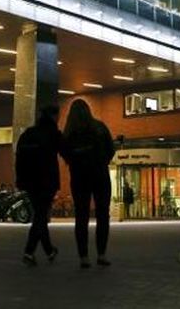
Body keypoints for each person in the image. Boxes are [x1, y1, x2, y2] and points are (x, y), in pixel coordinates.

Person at [60, 99, 116, 268]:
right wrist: (101, 162)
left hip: (79, 177)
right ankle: (102, 254)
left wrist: (76, 162)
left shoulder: (69, 132)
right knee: (102, 215)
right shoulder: (99, 127)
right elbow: (111, 149)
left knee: (81, 216)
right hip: (100, 175)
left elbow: (65, 153)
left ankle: (83, 256)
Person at [15, 104, 62, 266]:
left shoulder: (28, 134)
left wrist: (20, 180)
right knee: (41, 216)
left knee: (40, 215)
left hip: (29, 182)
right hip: (46, 181)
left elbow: (19, 158)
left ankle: (46, 251)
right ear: (54, 116)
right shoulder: (53, 133)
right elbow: (66, 150)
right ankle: (30, 252)